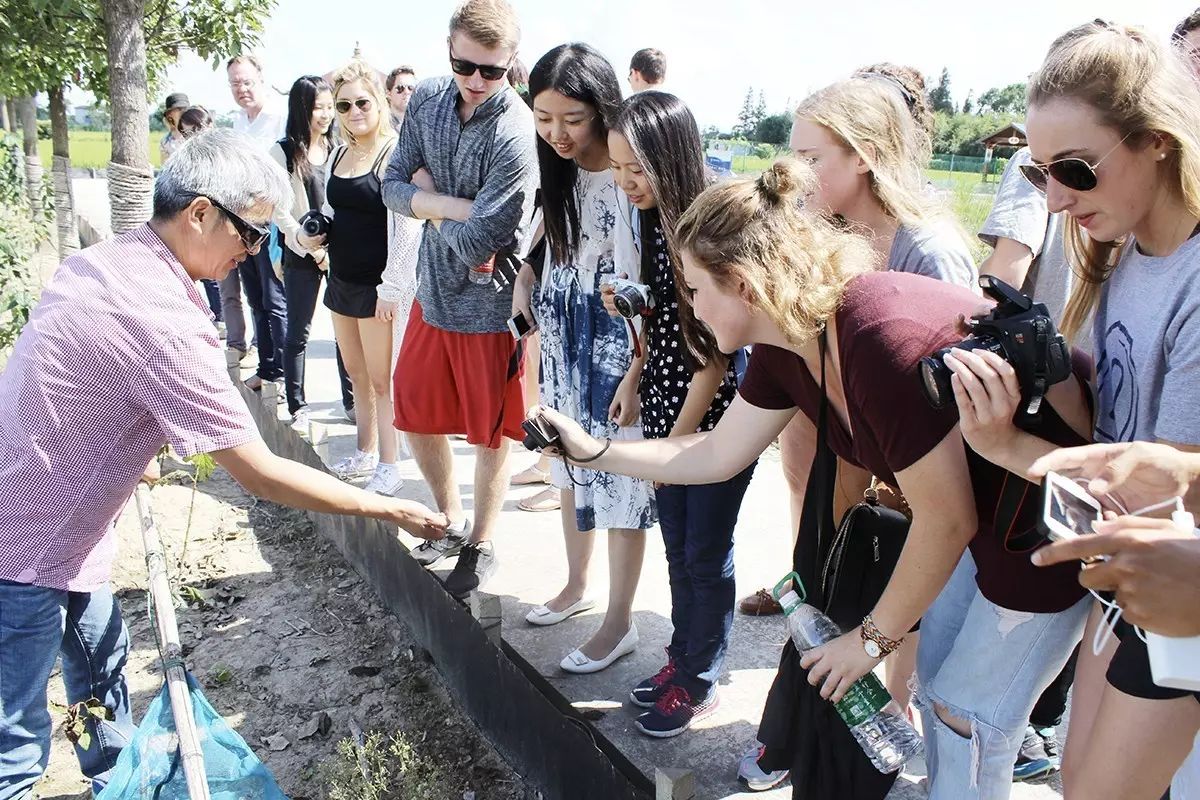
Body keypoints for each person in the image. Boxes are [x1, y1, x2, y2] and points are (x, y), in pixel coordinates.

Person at [534, 158, 1093, 800]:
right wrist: (593, 450)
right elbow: (716, 453)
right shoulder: (786, 344)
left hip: (1046, 521)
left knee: (970, 718)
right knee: (941, 694)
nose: (687, 304)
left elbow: (946, 519)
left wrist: (869, 641)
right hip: (985, 520)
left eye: (694, 289)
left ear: (742, 283)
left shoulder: (875, 337)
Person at [0, 129, 446, 799]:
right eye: (252, 233)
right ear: (201, 212)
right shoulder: (163, 321)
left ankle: (112, 783)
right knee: (15, 746)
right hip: (23, 552)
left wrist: (121, 450)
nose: (254, 252)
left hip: (63, 531)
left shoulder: (109, 262)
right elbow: (260, 472)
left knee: (100, 667)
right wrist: (383, 506)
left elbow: (73, 379)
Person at [1014, 20, 1200, 800]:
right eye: (1037, 173)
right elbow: (1116, 441)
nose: (1055, 199)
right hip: (1124, 587)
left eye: (1075, 170)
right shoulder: (1127, 254)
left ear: (1158, 141)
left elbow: (1165, 494)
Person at [603, 90, 749, 736]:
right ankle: (681, 659)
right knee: (677, 549)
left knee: (705, 551)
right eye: (616, 167)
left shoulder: (701, 228)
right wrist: (634, 376)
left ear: (671, 156)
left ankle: (702, 677)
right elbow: (662, 321)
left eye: (637, 168)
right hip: (665, 407)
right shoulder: (648, 218)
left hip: (710, 419)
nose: (625, 181)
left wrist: (674, 448)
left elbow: (715, 360)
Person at [381, 0, 538, 598]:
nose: (475, 81)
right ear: (448, 50)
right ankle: (448, 519)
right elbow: (392, 183)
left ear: (510, 64)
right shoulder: (425, 99)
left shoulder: (515, 134)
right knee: (413, 408)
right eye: (463, 65)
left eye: (490, 72)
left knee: (490, 433)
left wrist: (429, 199)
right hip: (433, 293)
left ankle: (483, 539)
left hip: (492, 307)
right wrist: (451, 204)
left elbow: (484, 238)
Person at [510, 43, 655, 674]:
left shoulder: (630, 169)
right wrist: (523, 287)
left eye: (571, 118)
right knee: (567, 464)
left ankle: (619, 620)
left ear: (601, 107)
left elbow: (652, 277)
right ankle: (575, 584)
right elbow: (541, 248)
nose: (557, 133)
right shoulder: (557, 171)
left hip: (616, 346)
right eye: (544, 118)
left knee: (621, 478)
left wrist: (637, 366)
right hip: (564, 338)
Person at [298, 61, 403, 495]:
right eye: (344, 105)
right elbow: (337, 211)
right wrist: (315, 229)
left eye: (362, 101)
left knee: (383, 380)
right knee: (356, 373)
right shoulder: (340, 153)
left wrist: (392, 286)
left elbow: (406, 228)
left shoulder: (393, 153)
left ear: (378, 101)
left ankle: (390, 464)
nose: (354, 111)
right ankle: (364, 450)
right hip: (340, 277)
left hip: (377, 286)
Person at [268, 76, 336, 432]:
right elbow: (278, 209)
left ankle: (352, 401)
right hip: (300, 252)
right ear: (301, 108)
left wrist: (329, 251)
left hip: (339, 253)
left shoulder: (339, 145)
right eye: (317, 107)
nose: (324, 115)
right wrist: (305, 243)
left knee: (346, 331)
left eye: (329, 106)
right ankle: (298, 404)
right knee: (298, 332)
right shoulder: (283, 151)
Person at [227, 54, 288, 395]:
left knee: (276, 299)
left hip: (272, 223)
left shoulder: (278, 118)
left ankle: (281, 373)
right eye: (235, 83)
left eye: (247, 81)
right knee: (256, 299)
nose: (242, 89)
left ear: (260, 79)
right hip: (243, 223)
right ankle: (266, 367)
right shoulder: (238, 123)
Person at [159, 92, 189, 163]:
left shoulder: (197, 135)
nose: (182, 112)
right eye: (178, 109)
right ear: (170, 114)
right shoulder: (165, 141)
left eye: (184, 108)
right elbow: (164, 166)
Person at [385, 65, 417, 133]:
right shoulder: (381, 124)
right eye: (400, 88)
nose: (406, 92)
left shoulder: (420, 125)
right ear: (388, 93)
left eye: (411, 88)